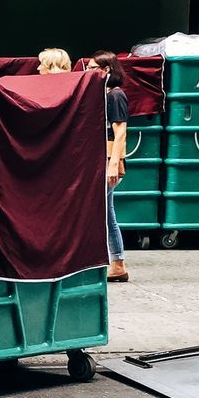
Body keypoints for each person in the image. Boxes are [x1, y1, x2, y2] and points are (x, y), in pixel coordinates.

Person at [86, 50, 130, 283]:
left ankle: (108, 262)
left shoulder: (116, 95)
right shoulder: (104, 95)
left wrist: (113, 165)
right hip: (103, 161)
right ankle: (117, 263)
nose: (88, 72)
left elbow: (120, 132)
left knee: (97, 212)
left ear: (106, 70)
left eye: (93, 68)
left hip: (108, 162)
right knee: (106, 213)